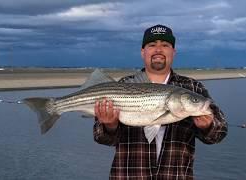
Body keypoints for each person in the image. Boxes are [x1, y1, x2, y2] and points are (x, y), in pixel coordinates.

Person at [93, 24, 228, 179]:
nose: (158, 49)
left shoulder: (193, 87)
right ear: (143, 52)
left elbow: (220, 133)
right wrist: (109, 126)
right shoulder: (124, 84)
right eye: (152, 45)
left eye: (165, 45)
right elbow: (101, 137)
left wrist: (208, 126)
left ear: (173, 51)